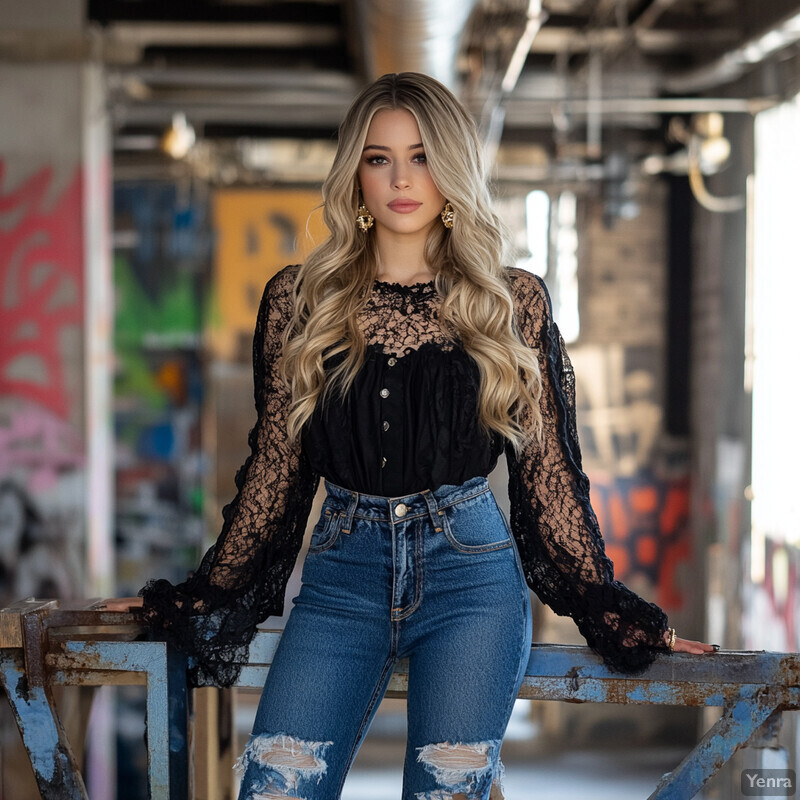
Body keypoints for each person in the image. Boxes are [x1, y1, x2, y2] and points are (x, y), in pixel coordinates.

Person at [106, 72, 715, 800]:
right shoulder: (300, 302)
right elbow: (275, 470)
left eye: (421, 156)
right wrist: (203, 594)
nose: (400, 179)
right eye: (378, 157)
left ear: (452, 166)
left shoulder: (508, 300)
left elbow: (549, 475)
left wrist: (612, 608)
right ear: (353, 173)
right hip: (340, 582)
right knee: (273, 787)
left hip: (471, 584)